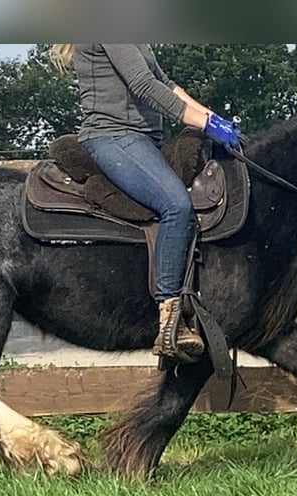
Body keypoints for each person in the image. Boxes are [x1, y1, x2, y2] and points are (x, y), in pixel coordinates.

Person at [50, 44, 241, 362]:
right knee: (176, 206)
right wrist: (205, 124)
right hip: (113, 137)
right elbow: (142, 84)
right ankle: (169, 318)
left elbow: (166, 84)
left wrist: (212, 118)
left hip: (142, 141)